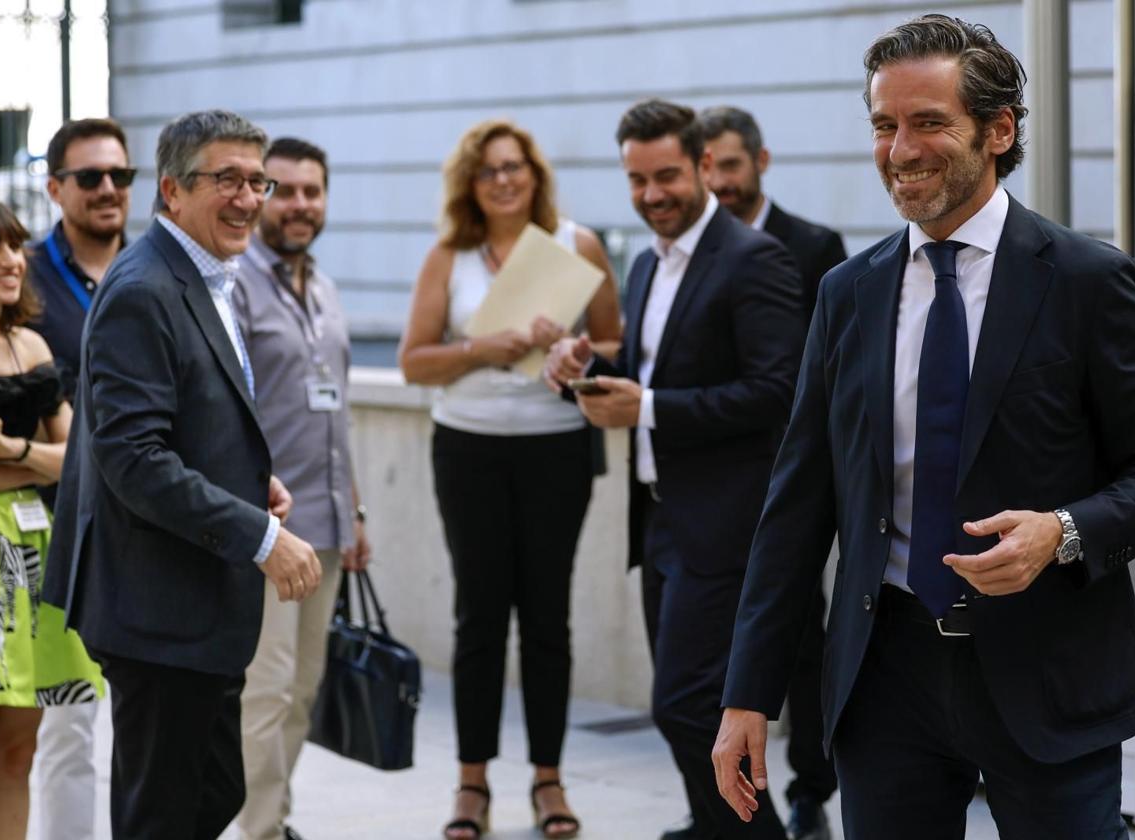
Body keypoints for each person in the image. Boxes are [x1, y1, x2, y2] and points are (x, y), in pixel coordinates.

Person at [713, 14, 1135, 839]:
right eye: (885, 125)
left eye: (929, 123)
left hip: (1048, 672)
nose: (900, 150)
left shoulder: (1086, 280)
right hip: (885, 677)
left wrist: (1061, 532)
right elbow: (798, 501)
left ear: (998, 131)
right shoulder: (847, 292)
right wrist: (748, 691)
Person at [43, 109, 323, 839]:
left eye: (256, 180)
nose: (249, 197)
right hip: (157, 609)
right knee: (162, 815)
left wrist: (248, 481)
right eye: (225, 179)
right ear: (171, 190)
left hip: (194, 603)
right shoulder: (144, 287)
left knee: (212, 793)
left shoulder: (202, 274)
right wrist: (260, 535)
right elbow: (132, 458)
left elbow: (190, 420)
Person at [545, 99, 808, 840]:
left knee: (689, 704)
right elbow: (646, 369)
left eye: (666, 176)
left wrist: (650, 406)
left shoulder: (756, 259)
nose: (652, 193)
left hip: (726, 524)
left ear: (702, 167)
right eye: (637, 180)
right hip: (660, 518)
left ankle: (757, 834)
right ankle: (712, 821)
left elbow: (776, 392)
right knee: (694, 705)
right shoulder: (644, 261)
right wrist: (586, 366)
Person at [399, 118, 621, 840]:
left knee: (547, 616)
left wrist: (575, 347)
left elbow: (617, 344)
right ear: (471, 182)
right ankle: (472, 784)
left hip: (556, 449)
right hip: (468, 450)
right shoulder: (449, 255)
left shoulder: (576, 244)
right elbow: (413, 362)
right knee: (479, 617)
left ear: (535, 175)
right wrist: (484, 346)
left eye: (514, 167)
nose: (502, 180)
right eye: (488, 170)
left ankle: (548, 779)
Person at [698, 104, 845, 840]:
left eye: (731, 164)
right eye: (709, 166)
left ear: (761, 161)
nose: (719, 180)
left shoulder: (816, 247)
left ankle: (812, 787)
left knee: (803, 644)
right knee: (714, 657)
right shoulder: (688, 252)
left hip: (793, 482)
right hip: (711, 484)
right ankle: (726, 800)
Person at [233, 136, 371, 840]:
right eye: (282, 190)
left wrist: (357, 512)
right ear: (258, 197)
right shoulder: (233, 286)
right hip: (267, 529)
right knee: (267, 689)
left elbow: (337, 407)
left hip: (328, 524)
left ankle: (274, 821)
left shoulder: (323, 286)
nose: (298, 205)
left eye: (311, 191)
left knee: (304, 691)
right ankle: (255, 830)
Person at [0, 194, 103, 840]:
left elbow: (80, 457)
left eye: (15, 245)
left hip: (32, 554)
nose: (11, 260)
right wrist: (32, 462)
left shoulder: (33, 345)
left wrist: (6, 449)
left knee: (19, 752)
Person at [26, 115, 133, 840]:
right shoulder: (19, 273)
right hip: (56, 527)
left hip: (151, 527)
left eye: (119, 176)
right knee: (66, 726)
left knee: (152, 724)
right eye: (89, 177)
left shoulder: (158, 267)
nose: (107, 190)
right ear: (55, 186)